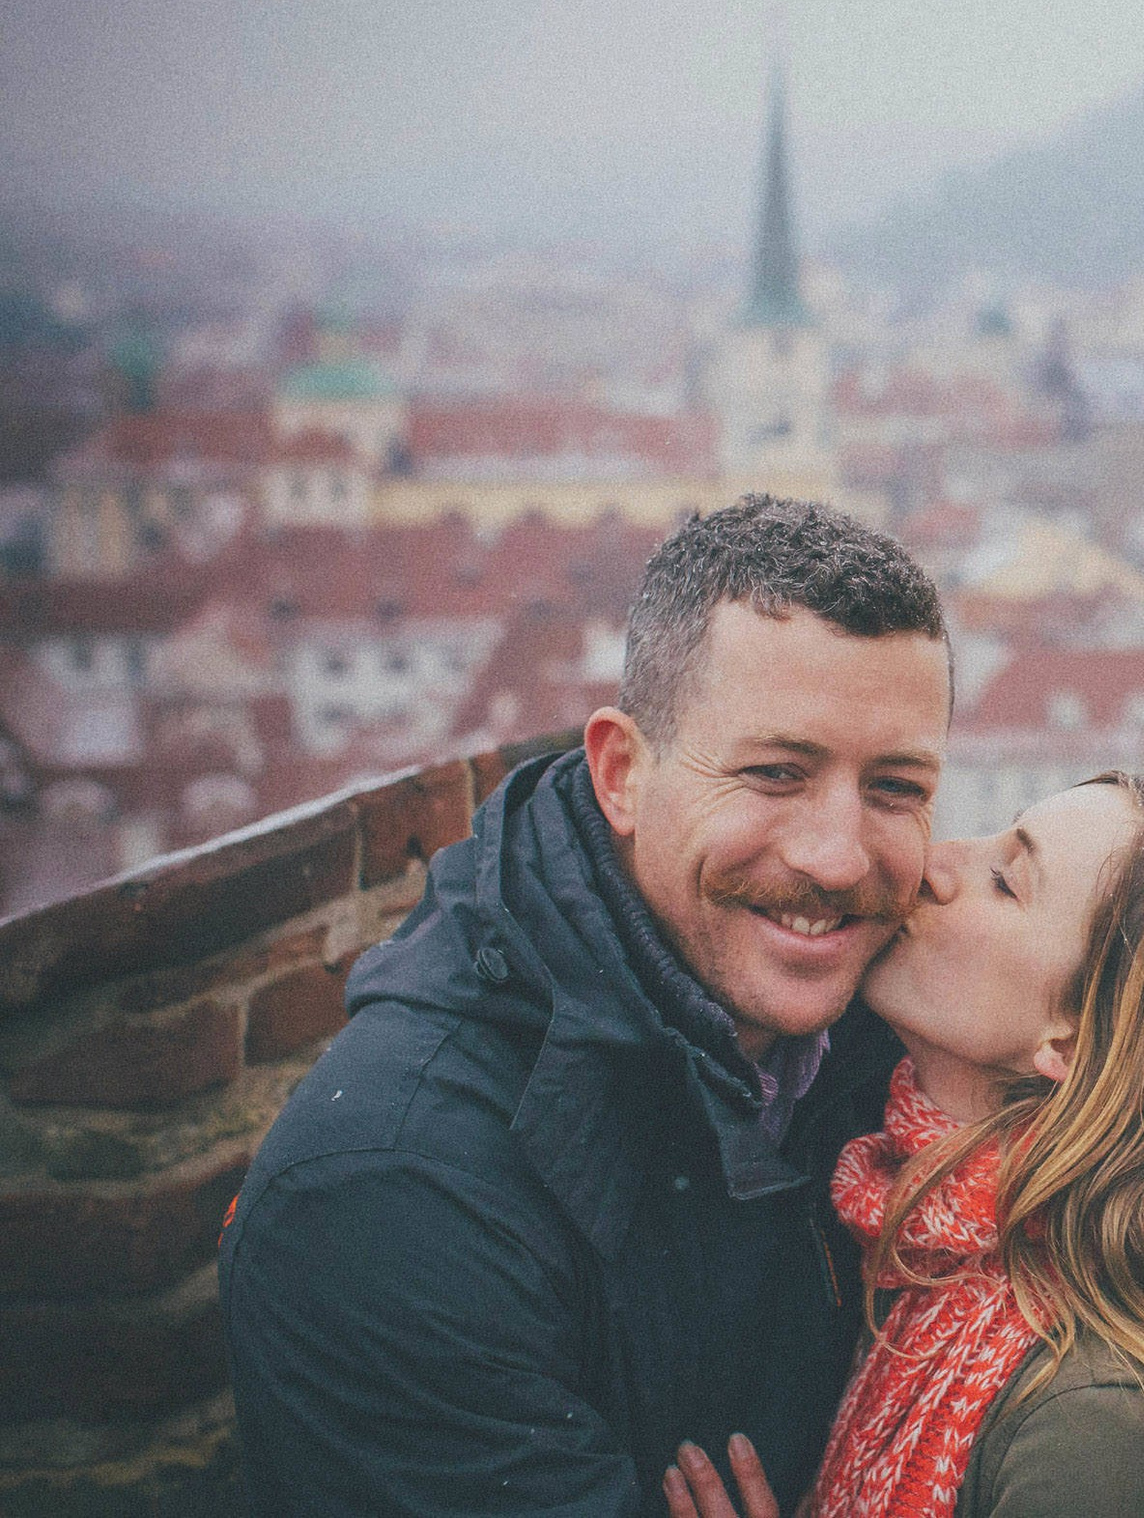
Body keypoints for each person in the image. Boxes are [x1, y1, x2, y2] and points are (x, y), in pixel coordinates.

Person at [219, 495, 953, 1516]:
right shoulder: (391, 1192)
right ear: (621, 774)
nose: (837, 855)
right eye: (774, 774)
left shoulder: (907, 1039)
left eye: (896, 787)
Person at [666, 774, 1144, 1518]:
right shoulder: (921, 1237)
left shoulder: (1103, 1434)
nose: (933, 863)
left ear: (1074, 1039)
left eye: (1006, 881)